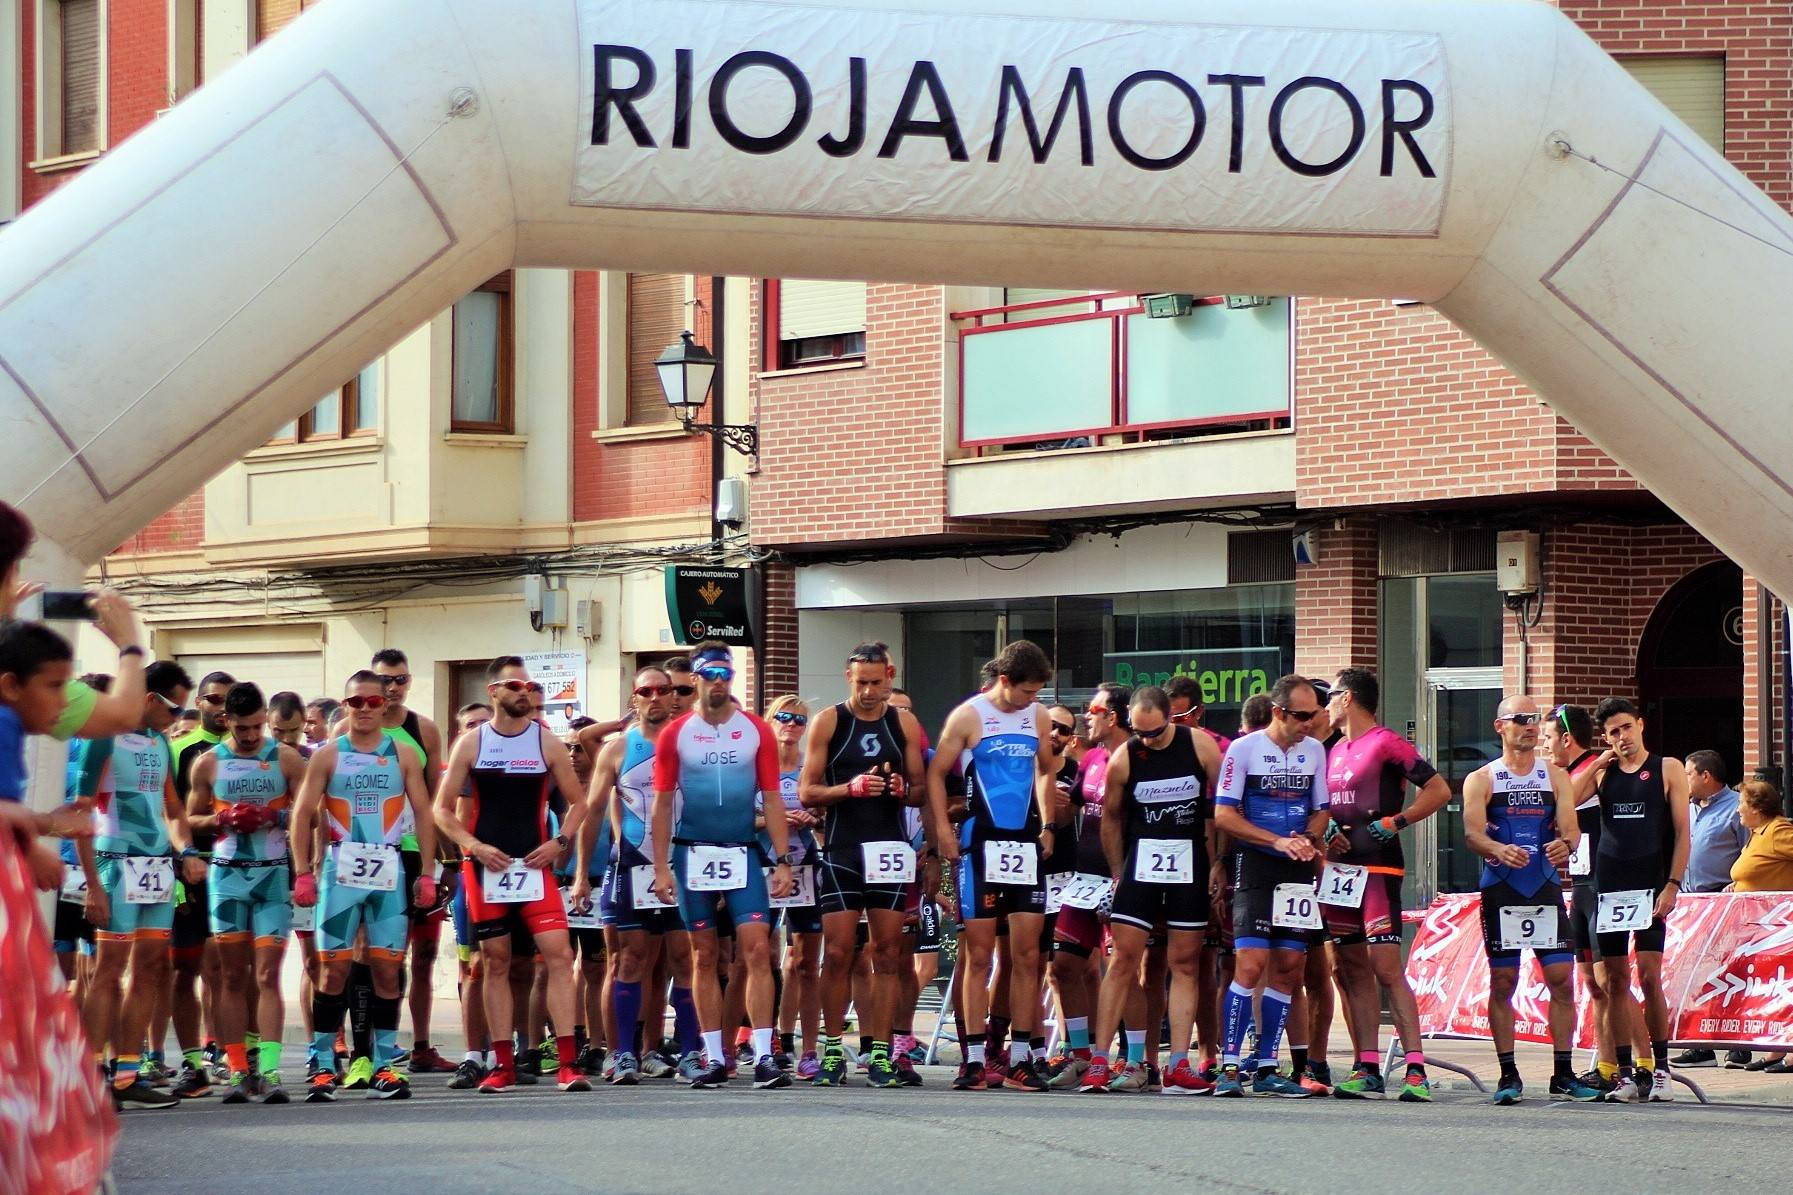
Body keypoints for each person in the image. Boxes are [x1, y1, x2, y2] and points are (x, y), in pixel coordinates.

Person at [436, 656, 593, 1094]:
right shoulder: (472, 743)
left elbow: (580, 802)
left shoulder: (546, 742)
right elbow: (441, 810)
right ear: (494, 692)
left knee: (560, 957)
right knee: (494, 963)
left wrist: (560, 842)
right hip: (488, 869)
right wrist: (475, 847)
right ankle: (501, 1064)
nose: (524, 692)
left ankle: (566, 1063)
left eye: (529, 686)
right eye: (515, 685)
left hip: (533, 867)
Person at [649, 642, 795, 1089]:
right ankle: (712, 1055)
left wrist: (783, 860)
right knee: (704, 955)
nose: (717, 682)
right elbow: (661, 803)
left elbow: (771, 798)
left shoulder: (755, 730)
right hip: (692, 850)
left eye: (725, 675)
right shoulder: (677, 733)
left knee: (755, 951)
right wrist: (659, 867)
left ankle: (765, 1055)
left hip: (742, 850)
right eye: (709, 674)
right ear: (694, 678)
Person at [290, 671, 439, 1101]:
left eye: (375, 702)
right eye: (358, 702)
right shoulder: (328, 754)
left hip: (389, 870)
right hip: (341, 870)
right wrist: (303, 871)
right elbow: (302, 814)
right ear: (346, 705)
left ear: (385, 706)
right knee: (333, 969)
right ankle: (321, 1063)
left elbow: (424, 813)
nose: (367, 709)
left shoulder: (403, 753)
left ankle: (386, 1063)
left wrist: (427, 873)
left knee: (387, 970)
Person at [72, 660, 205, 1109]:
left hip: (156, 868)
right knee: (108, 971)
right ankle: (91, 1075)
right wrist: (92, 883)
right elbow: (80, 813)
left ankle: (127, 1074)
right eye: (173, 708)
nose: (178, 718)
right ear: (149, 699)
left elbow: (171, 808)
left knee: (149, 968)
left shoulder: (159, 743)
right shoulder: (102, 738)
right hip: (115, 861)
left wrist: (186, 852)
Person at [928, 640, 1058, 1093]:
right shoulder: (969, 716)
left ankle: (1022, 1056)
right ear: (1004, 681)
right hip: (980, 843)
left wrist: (1049, 826)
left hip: (1024, 843)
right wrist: (943, 833)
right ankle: (976, 1058)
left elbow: (1046, 770)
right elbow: (935, 774)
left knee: (1026, 955)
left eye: (1038, 692)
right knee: (979, 955)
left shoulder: (1037, 717)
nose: (1033, 700)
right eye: (1026, 691)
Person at [1078, 687, 1221, 1095]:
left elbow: (1226, 803)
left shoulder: (1200, 745)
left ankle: (1178, 1063)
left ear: (1171, 719)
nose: (1148, 741)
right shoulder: (1125, 756)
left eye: (1155, 733)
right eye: (1139, 733)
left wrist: (1218, 863)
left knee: (1186, 963)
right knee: (1123, 959)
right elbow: (1109, 818)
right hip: (1142, 863)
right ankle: (1100, 1061)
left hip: (1188, 862)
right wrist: (1118, 869)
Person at [801, 643, 929, 1088]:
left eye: (877, 682)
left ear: (889, 676)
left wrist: (898, 788)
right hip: (843, 849)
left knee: (889, 954)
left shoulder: (904, 721)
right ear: (847, 678)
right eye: (861, 683)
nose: (870, 691)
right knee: (837, 953)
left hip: (888, 848)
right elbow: (807, 792)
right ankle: (832, 1049)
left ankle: (880, 1051)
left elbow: (919, 790)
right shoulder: (830, 720)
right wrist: (849, 789)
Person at [1320, 668, 1451, 1101]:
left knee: (1385, 967)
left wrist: (1397, 822)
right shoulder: (1333, 749)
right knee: (1347, 968)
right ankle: (1368, 1066)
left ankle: (1415, 1069)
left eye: (1332, 694)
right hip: (1340, 872)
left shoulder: (1386, 741)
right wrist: (1324, 833)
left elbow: (1438, 790)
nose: (1326, 703)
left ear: (1350, 697)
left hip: (1378, 868)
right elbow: (1323, 808)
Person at [1464, 695, 1600, 1105]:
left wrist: (1565, 844)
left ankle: (1563, 1072)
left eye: (1535, 719)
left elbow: (1572, 830)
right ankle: (1509, 1073)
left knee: (1561, 979)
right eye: (1520, 719)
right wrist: (1496, 848)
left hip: (1542, 887)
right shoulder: (1482, 778)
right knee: (1504, 981)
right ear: (1499, 726)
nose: (1530, 726)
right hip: (1502, 888)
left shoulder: (1554, 776)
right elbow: (1471, 833)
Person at [185, 682, 308, 1103]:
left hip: (273, 875)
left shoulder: (286, 758)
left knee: (266, 975)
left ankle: (270, 1071)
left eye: (258, 726)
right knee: (232, 977)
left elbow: (313, 813)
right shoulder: (208, 763)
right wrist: (223, 819)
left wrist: (275, 814)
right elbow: (189, 819)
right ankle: (238, 1070)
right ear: (226, 722)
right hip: (227, 878)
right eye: (244, 728)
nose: (253, 736)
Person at [1210, 674, 1330, 1098]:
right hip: (1257, 864)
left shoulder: (1314, 751)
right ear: (1278, 712)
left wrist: (1311, 839)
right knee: (1250, 964)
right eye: (1302, 715)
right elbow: (1224, 815)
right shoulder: (1243, 750)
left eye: (1315, 715)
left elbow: (1321, 810)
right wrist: (1276, 840)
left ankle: (1266, 1066)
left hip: (1296, 868)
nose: (1311, 723)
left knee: (1289, 968)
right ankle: (1228, 1066)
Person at [573, 667, 695, 1084]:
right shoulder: (618, 749)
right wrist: (580, 876)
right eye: (647, 691)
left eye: (665, 690)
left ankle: (689, 1050)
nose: (658, 697)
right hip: (630, 864)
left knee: (685, 959)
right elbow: (591, 814)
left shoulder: (689, 744)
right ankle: (619, 1052)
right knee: (628, 959)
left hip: (681, 864)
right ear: (634, 698)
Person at [1574, 698, 1691, 1103]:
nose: (1621, 738)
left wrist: (1673, 884)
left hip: (1650, 881)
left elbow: (1681, 832)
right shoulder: (1603, 773)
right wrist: (1597, 764)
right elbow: (1567, 802)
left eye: (1626, 728)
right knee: (1615, 980)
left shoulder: (1667, 768)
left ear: (1640, 725)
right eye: (1612, 733)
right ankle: (1624, 1074)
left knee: (1648, 975)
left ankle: (1660, 1068)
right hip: (1610, 882)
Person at [1543, 702, 1642, 1093]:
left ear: (1566, 738)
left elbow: (1570, 800)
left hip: (1604, 882)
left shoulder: (1598, 769)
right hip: (1580, 885)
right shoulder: (1566, 773)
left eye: (1549, 737)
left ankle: (1644, 1064)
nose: (1545, 745)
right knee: (1592, 983)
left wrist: (1600, 760)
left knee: (1614, 981)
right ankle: (1605, 1066)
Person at [364, 649, 452, 1074]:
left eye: (399, 680)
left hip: (416, 854)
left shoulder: (425, 730)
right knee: (377, 955)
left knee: (425, 955)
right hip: (368, 855)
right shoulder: (350, 730)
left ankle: (419, 1045)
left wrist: (442, 864)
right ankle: (368, 1049)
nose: (392, 688)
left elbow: (436, 803)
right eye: (384, 680)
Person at [1046, 685, 1128, 1089]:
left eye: (1093, 709)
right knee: (1063, 966)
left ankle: (1134, 1060)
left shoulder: (1136, 758)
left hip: (1124, 877)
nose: (1086, 717)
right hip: (1084, 878)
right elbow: (1070, 812)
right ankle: (1079, 1054)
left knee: (1124, 969)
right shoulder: (1092, 757)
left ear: (1113, 716)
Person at [166, 669, 231, 1099]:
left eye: (227, 699)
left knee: (228, 968)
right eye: (211, 699)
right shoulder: (179, 748)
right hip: (187, 869)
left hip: (233, 868)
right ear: (199, 704)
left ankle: (227, 1054)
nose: (220, 707)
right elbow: (168, 810)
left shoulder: (248, 750)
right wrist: (183, 856)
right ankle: (189, 1061)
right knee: (184, 967)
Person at [1671, 750, 1751, 1068]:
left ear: (1706, 776)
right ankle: (1700, 1045)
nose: (1683, 780)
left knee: (1730, 975)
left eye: (1688, 773)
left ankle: (1738, 1045)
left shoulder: (1736, 808)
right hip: (1692, 904)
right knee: (1696, 976)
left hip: (1725, 902)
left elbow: (1749, 850)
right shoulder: (1688, 808)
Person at [762, 695, 823, 1079]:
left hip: (805, 867)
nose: (791, 725)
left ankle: (810, 1050)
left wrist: (812, 816)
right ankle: (758, 1039)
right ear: (770, 721)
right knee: (754, 958)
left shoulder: (809, 766)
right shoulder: (758, 766)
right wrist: (775, 818)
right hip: (763, 865)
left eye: (799, 720)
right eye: (783, 718)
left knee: (805, 963)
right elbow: (743, 816)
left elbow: (825, 810)